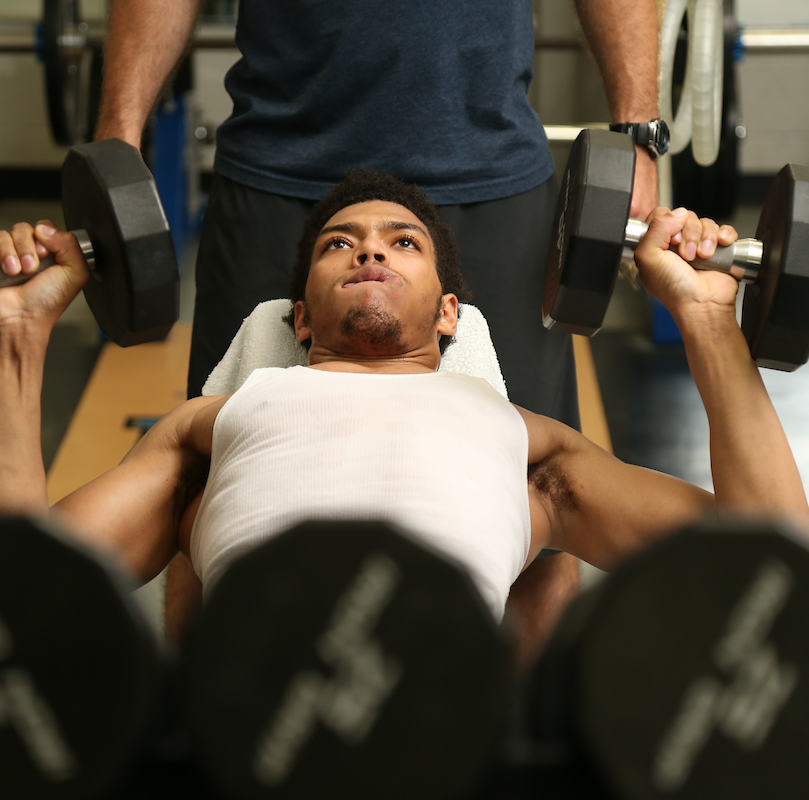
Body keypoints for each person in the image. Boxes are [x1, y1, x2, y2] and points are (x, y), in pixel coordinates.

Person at [0, 170, 809, 666]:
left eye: (402, 242)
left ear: (450, 316)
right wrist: (16, 335)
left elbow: (768, 560)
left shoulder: (525, 444)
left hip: (430, 732)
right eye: (340, 243)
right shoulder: (216, 425)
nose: (369, 248)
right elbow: (11, 594)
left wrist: (706, 319)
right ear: (296, 319)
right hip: (252, 717)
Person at [95, 0, 663, 647]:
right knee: (209, 480)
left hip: (488, 172)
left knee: (543, 500)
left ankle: (520, 736)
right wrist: (119, 129)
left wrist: (639, 130)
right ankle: (199, 724)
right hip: (280, 166)